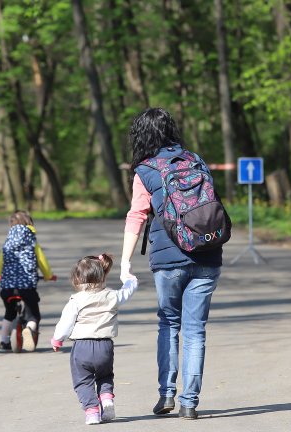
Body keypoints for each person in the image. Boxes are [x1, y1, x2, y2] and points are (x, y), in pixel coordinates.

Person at [120, 107, 223, 420]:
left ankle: (167, 393)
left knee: (169, 322)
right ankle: (189, 402)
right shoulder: (195, 160)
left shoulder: (145, 170)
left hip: (168, 258)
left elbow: (137, 215)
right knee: (196, 331)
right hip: (207, 253)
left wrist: (125, 263)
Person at [51, 254, 139, 425]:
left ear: (77, 278)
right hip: (105, 346)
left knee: (83, 381)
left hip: (82, 347)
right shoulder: (112, 296)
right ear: (102, 275)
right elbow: (128, 290)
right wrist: (130, 277)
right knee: (105, 375)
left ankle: (92, 411)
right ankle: (106, 400)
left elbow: (65, 323)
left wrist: (57, 339)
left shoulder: (76, 300)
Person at [0, 210, 56, 352]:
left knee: (8, 313)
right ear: (29, 224)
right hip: (26, 287)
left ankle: (4, 342)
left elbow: (1, 260)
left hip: (7, 288)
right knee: (34, 315)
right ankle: (29, 328)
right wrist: (48, 275)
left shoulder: (8, 241)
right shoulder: (32, 240)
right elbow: (41, 260)